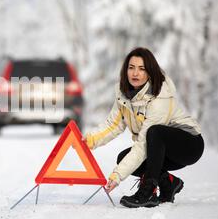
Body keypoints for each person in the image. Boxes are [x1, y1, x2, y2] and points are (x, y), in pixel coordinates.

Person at [82, 47, 204, 208]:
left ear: (149, 72)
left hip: (188, 144)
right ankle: (169, 184)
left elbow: (143, 145)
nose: (135, 73)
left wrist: (117, 176)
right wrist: (90, 140)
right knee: (123, 157)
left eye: (141, 69)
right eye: (131, 68)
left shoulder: (159, 95)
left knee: (155, 133)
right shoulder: (125, 95)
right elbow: (113, 125)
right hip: (159, 146)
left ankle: (148, 191)